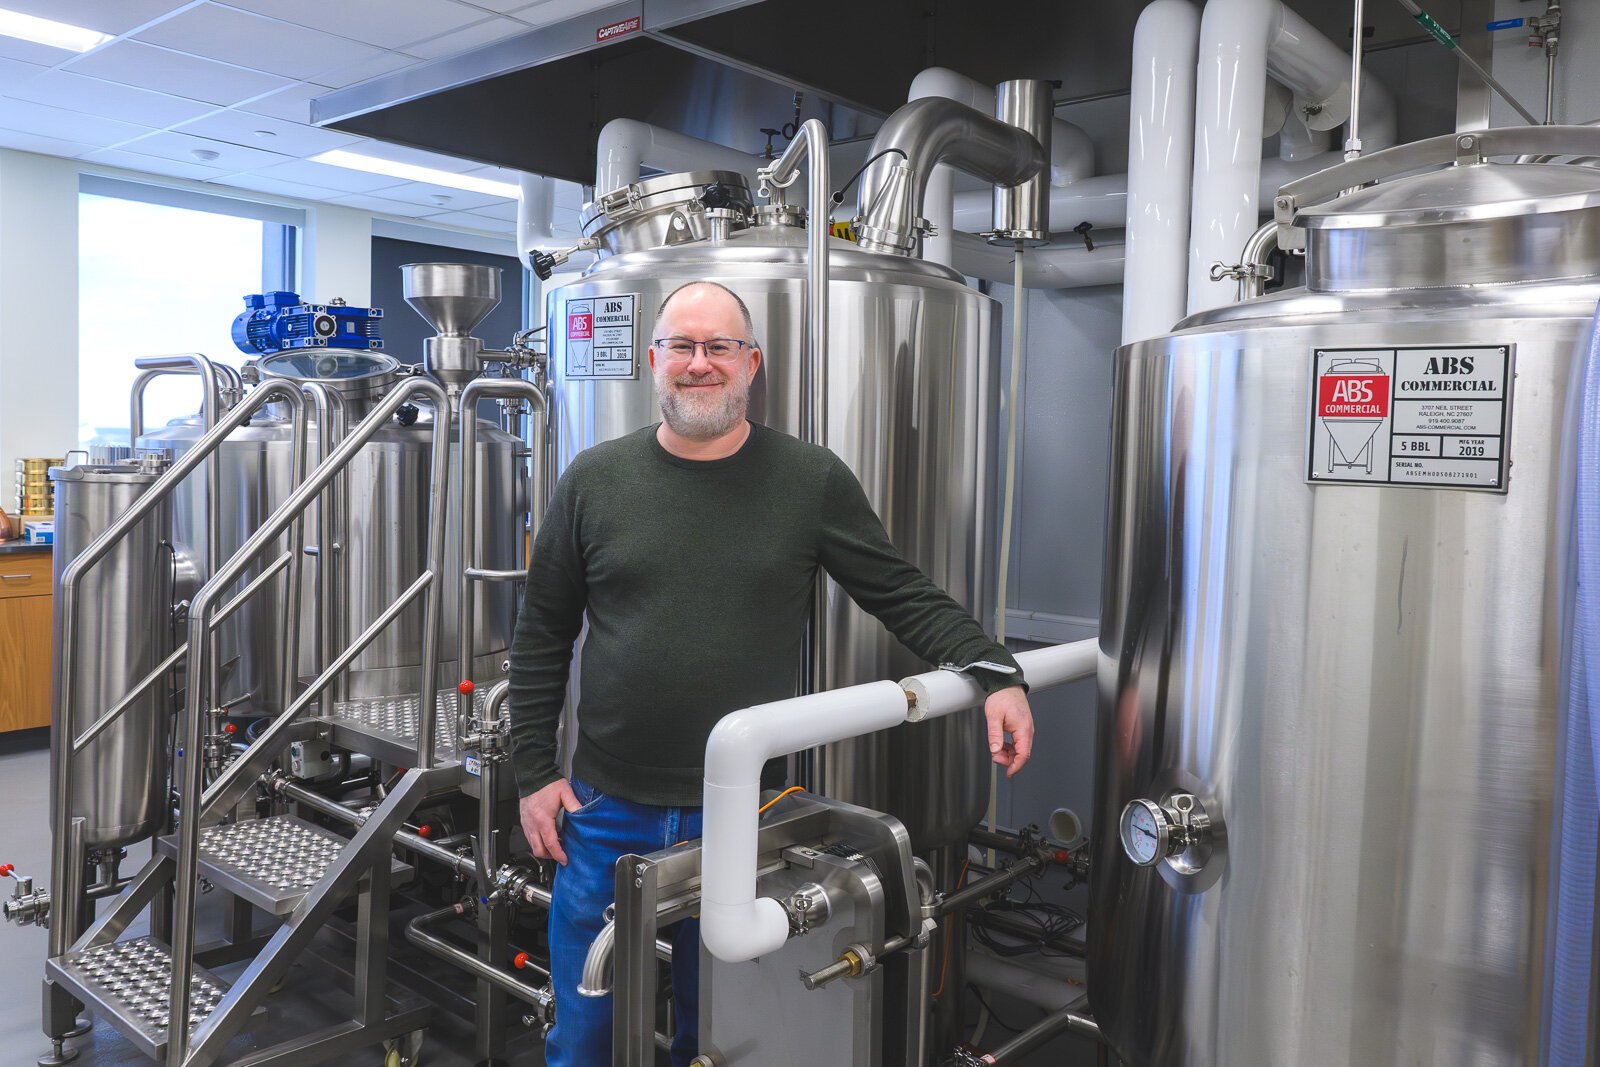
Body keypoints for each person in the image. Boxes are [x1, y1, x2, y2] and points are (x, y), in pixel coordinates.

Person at [508, 280, 1033, 1067]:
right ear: (653, 361)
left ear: (752, 362)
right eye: (681, 346)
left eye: (719, 346)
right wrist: (533, 771)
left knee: (720, 1031)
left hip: (747, 814)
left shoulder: (807, 480)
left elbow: (902, 592)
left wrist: (997, 670)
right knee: (585, 1032)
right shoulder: (594, 478)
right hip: (607, 805)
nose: (699, 363)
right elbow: (542, 631)